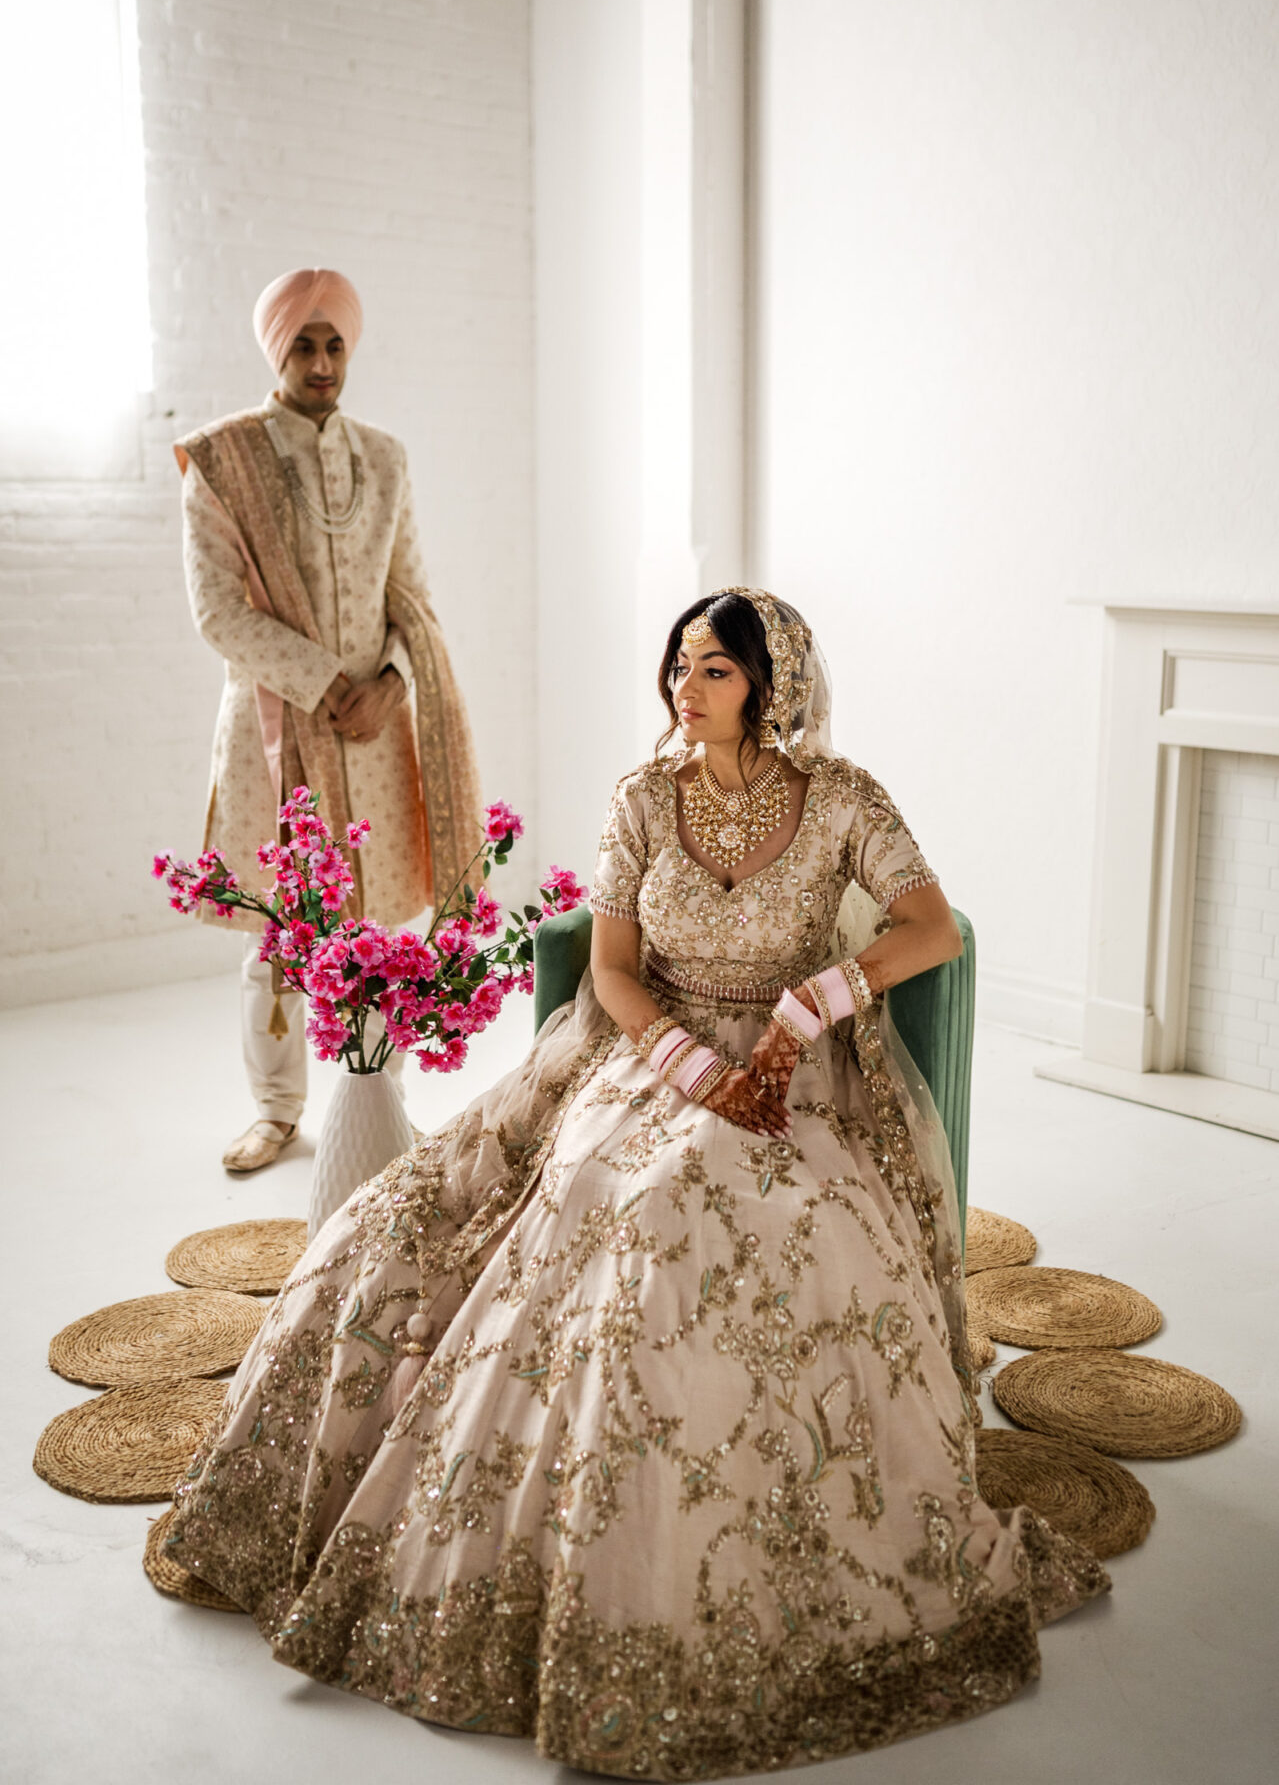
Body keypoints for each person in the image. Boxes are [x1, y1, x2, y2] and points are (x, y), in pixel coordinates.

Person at [165, 588, 1108, 1778]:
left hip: (795, 1072)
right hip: (647, 1053)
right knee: (500, 1208)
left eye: (712, 669)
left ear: (769, 684)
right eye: (678, 665)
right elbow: (611, 970)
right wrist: (685, 1066)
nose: (685, 686)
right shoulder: (642, 800)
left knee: (695, 1219)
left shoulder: (842, 800)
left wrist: (810, 1005)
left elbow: (929, 929)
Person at [176, 268, 481, 1173]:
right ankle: (276, 1111)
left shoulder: (384, 458)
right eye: (303, 344)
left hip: (376, 727)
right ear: (277, 350)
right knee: (284, 921)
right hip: (277, 726)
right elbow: (217, 613)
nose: (320, 362)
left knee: (375, 919)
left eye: (334, 343)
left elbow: (411, 596)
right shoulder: (222, 459)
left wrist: (390, 679)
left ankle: (371, 1095)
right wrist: (323, 684)